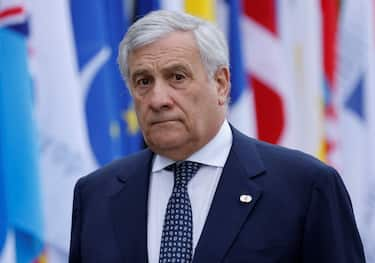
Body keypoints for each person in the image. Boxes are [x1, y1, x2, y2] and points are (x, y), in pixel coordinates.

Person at [69, 10, 366, 263]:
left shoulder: (305, 187)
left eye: (177, 77)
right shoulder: (96, 194)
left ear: (221, 84)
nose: (158, 99)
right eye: (143, 81)